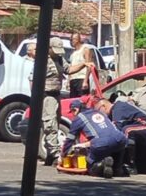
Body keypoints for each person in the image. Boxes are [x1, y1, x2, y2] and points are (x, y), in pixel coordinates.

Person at [29, 37, 93, 166]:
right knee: (50, 124)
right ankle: (54, 154)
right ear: (49, 48)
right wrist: (36, 98)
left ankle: (49, 154)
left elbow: (68, 69)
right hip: (46, 96)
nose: (58, 53)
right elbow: (32, 79)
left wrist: (83, 65)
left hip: (56, 94)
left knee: (55, 124)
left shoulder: (58, 59)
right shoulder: (42, 60)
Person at [94, 98, 146, 174]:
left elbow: (116, 130)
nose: (100, 116)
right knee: (144, 169)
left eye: (99, 111)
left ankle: (128, 165)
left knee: (127, 130)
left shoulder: (118, 108)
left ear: (103, 106)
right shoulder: (118, 109)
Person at [60, 99, 128, 178]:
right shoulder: (98, 112)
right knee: (113, 149)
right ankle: (117, 168)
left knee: (90, 167)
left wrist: (63, 155)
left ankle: (102, 164)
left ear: (76, 109)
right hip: (121, 139)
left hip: (101, 143)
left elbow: (70, 139)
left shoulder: (79, 118)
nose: (73, 114)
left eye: (72, 112)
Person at [69, 33, 93, 98]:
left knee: (82, 100)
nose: (72, 41)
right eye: (71, 39)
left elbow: (89, 65)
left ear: (78, 39)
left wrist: (85, 81)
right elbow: (70, 67)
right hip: (73, 80)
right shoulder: (73, 53)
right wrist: (69, 80)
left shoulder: (85, 49)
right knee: (73, 101)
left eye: (74, 39)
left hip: (81, 79)